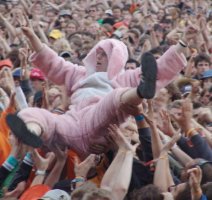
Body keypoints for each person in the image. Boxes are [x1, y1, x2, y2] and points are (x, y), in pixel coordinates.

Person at [6, 24, 193, 159]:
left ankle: (141, 91)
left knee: (114, 98)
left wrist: (182, 45)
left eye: (105, 55)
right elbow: (54, 63)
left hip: (98, 126)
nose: (99, 57)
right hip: (71, 123)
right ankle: (31, 132)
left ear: (117, 58)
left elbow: (160, 67)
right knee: (33, 114)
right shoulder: (79, 73)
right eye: (98, 53)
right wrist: (32, 37)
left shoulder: (124, 78)